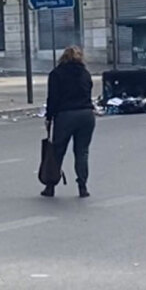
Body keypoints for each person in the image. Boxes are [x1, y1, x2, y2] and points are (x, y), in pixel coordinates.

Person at [43, 46, 96, 198]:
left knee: (57, 151)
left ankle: (50, 186)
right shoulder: (85, 73)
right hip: (86, 115)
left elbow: (52, 98)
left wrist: (49, 117)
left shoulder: (56, 73)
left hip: (65, 115)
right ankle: (82, 186)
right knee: (82, 152)